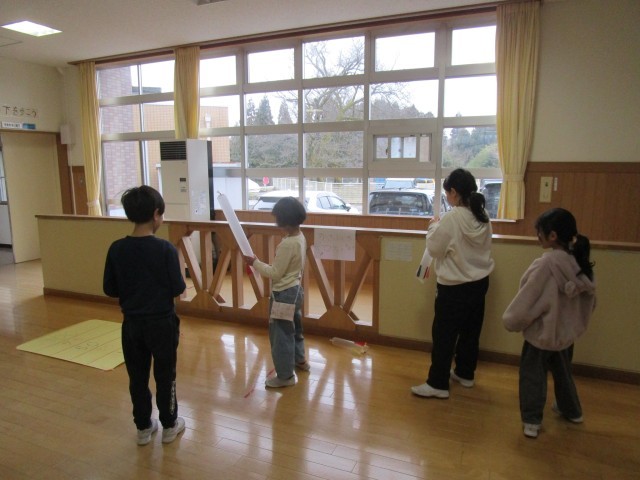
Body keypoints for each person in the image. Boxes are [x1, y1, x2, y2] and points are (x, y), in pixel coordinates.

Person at [103, 185, 187, 445]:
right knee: (165, 374)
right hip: (162, 324)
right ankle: (169, 425)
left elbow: (109, 289)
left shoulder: (117, 249)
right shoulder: (165, 250)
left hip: (131, 324)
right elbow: (178, 288)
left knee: (137, 377)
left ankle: (143, 427)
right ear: (156, 214)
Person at [503, 208, 595, 439]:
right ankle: (572, 411)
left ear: (552, 235)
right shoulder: (579, 261)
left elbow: (528, 298)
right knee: (564, 374)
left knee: (532, 377)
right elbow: (590, 301)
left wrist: (511, 321)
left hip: (540, 336)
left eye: (540, 232)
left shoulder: (546, 265)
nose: (538, 236)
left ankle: (532, 420)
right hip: (565, 336)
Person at [411, 168, 494, 399]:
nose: (447, 197)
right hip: (479, 283)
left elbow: (435, 248)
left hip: (453, 287)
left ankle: (437, 383)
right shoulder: (483, 216)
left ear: (454, 192)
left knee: (444, 335)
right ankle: (465, 374)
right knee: (470, 332)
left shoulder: (452, 218)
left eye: (447, 193)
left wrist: (432, 225)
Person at [243, 196, 309, 388]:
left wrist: (254, 262)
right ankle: (300, 360)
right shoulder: (300, 237)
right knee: (294, 329)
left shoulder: (287, 244)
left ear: (284, 220)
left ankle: (285, 376)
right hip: (295, 291)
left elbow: (275, 273)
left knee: (281, 336)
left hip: (283, 295)